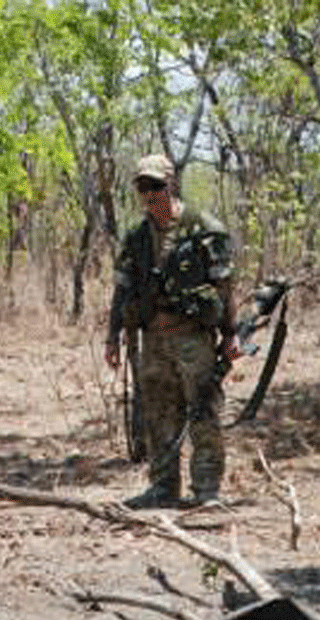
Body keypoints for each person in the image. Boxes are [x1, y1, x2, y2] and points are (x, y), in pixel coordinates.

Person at [106, 153, 241, 509]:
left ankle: (207, 490)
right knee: (159, 415)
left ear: (171, 184)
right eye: (142, 187)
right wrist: (113, 337)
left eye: (156, 186)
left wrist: (230, 335)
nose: (150, 194)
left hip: (193, 338)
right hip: (152, 339)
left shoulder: (203, 228)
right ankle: (163, 488)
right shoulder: (136, 237)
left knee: (203, 412)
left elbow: (224, 286)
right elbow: (121, 289)